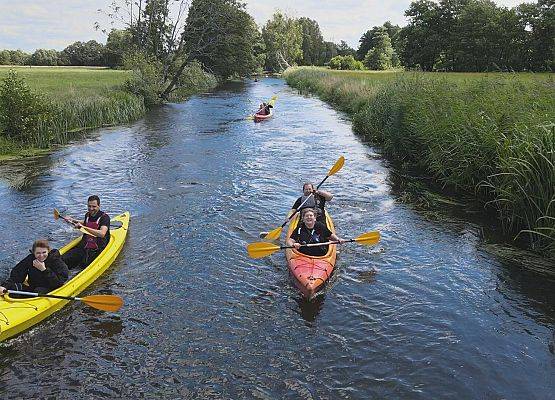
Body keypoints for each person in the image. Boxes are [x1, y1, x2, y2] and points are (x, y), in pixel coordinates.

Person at [0, 239, 68, 295]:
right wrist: (5, 286)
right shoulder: (30, 259)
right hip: (33, 287)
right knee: (12, 287)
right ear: (33, 253)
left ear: (48, 251)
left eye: (44, 252)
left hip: (51, 288)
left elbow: (59, 283)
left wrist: (44, 270)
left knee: (38, 290)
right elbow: (16, 275)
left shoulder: (55, 260)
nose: (41, 256)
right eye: (38, 253)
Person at [62, 195, 110, 269]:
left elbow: (102, 233)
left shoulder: (105, 217)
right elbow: (85, 223)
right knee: (64, 259)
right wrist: (72, 220)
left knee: (84, 265)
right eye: (89, 206)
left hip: (97, 248)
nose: (91, 209)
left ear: (99, 206)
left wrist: (83, 227)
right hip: (85, 246)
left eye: (94, 206)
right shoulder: (87, 215)